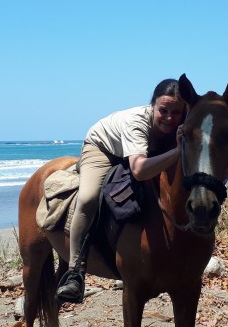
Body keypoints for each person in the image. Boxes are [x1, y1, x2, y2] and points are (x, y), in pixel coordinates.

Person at [56, 78, 187, 303]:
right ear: (152, 106)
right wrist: (176, 152)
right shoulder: (137, 123)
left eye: (176, 112)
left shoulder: (181, 122)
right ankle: (75, 272)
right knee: (88, 198)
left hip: (141, 150)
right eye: (163, 110)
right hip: (104, 148)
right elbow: (138, 170)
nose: (169, 118)